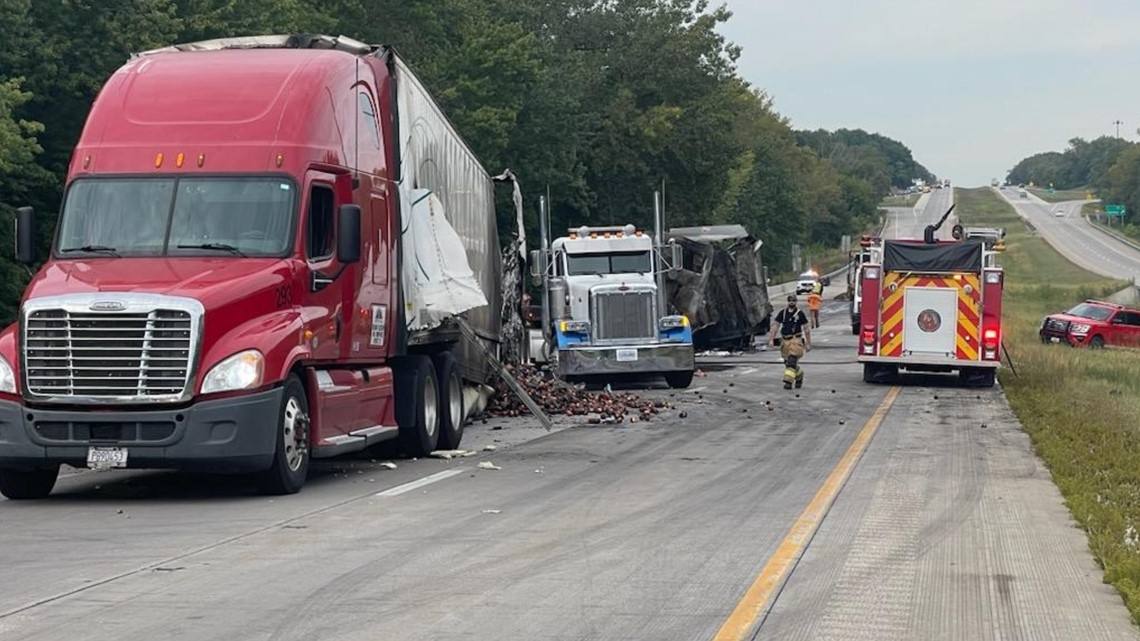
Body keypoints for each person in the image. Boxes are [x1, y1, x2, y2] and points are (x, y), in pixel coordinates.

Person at [769, 294, 812, 389]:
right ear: (787, 302)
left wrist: (808, 344)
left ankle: (788, 382)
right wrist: (771, 339)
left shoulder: (800, 314)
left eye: (793, 301)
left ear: (796, 302)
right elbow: (775, 326)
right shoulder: (783, 313)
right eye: (790, 301)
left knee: (792, 361)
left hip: (795, 340)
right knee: (788, 363)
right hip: (785, 341)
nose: (791, 302)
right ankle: (799, 376)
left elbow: (806, 329)